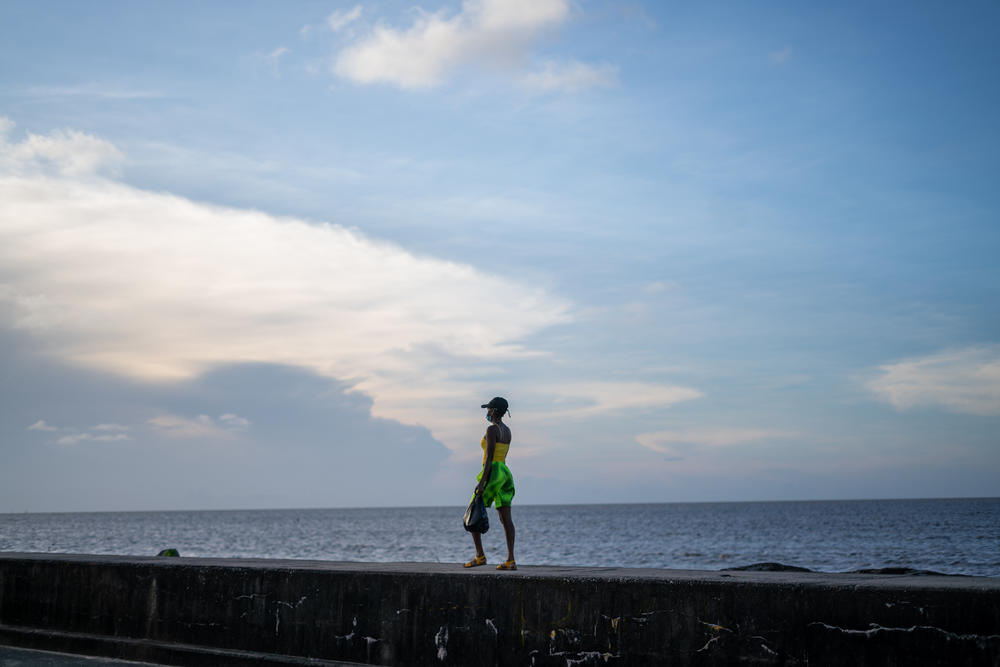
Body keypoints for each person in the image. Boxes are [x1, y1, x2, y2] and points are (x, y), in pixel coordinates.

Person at [463, 396, 516, 570]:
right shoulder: (507, 431)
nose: (487, 412)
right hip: (505, 473)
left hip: (492, 472)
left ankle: (480, 556)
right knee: (506, 518)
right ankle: (510, 560)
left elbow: (490, 457)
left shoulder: (491, 430)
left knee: (474, 509)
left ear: (493, 411)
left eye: (488, 409)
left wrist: (482, 481)